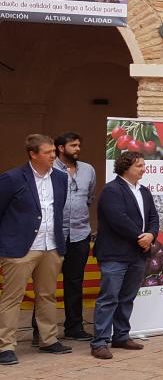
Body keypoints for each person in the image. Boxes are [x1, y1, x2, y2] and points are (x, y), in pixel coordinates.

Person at [0, 134, 73, 366]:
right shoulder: (12, 178)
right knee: (12, 298)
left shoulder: (61, 179)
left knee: (47, 295)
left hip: (51, 246)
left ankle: (48, 340)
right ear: (33, 154)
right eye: (48, 152)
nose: (54, 155)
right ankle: (5, 346)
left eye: (54, 151)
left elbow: (57, 211)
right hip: (19, 249)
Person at [90, 151, 159, 360]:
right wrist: (141, 237)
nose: (144, 169)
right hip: (115, 254)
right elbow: (117, 219)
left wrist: (152, 235)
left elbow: (153, 217)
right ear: (125, 167)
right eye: (139, 165)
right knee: (109, 298)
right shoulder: (112, 190)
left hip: (138, 254)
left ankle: (121, 336)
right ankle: (100, 342)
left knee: (127, 298)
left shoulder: (144, 191)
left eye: (144, 165)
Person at [31, 132, 97, 345]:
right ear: (60, 148)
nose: (78, 148)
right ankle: (40, 332)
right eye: (73, 145)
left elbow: (89, 198)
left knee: (75, 282)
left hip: (79, 234)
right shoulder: (49, 170)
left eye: (79, 145)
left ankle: (74, 327)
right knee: (45, 285)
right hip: (53, 235)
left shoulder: (88, 170)